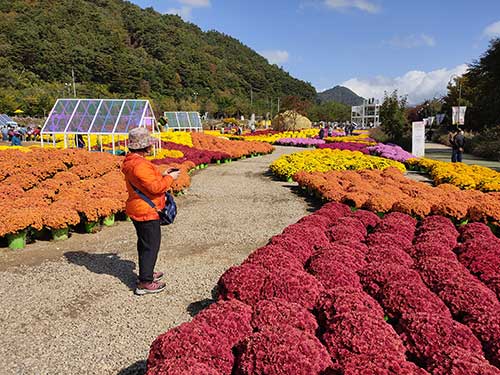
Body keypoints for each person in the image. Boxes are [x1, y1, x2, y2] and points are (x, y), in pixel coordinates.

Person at [122, 127, 180, 295]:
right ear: (144, 146)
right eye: (149, 144)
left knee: (145, 243)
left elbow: (145, 182)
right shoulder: (139, 165)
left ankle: (146, 273)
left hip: (140, 208)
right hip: (146, 211)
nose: (151, 146)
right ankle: (145, 283)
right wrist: (170, 178)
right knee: (150, 246)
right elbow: (155, 188)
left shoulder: (133, 161)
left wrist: (162, 174)